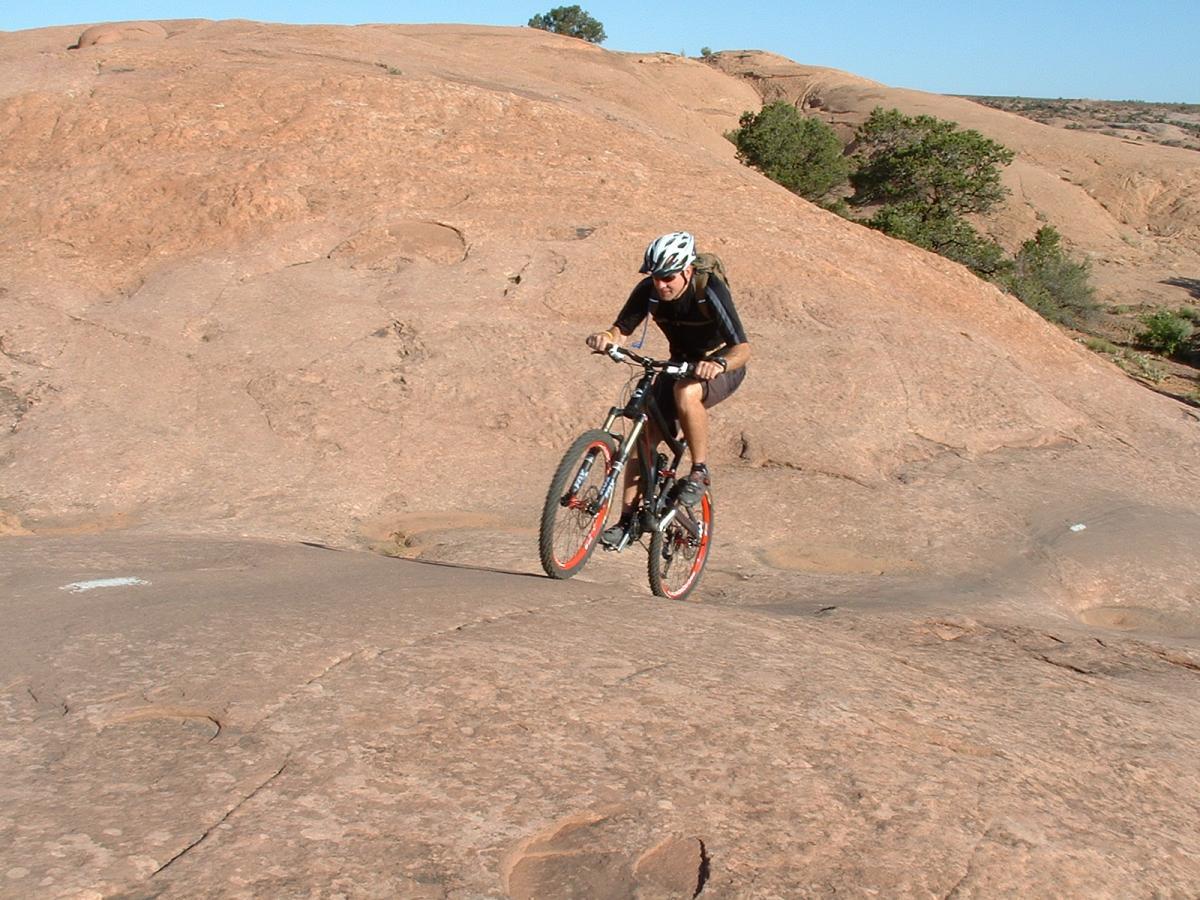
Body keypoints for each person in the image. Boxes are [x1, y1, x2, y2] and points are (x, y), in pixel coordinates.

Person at [585, 231, 750, 548]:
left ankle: (699, 471)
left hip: (719, 367)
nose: (661, 285)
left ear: (688, 271)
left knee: (686, 392)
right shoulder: (649, 291)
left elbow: (742, 349)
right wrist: (606, 338)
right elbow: (621, 330)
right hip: (679, 363)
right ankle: (627, 521)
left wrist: (718, 364)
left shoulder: (708, 290)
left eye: (669, 278)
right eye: (656, 277)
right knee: (642, 438)